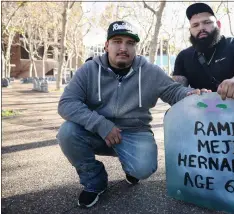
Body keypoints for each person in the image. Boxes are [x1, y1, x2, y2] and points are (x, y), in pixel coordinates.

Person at [56, 20, 207, 208]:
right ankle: (94, 181)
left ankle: (131, 165)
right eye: (117, 41)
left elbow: (174, 91)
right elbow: (66, 103)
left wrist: (191, 95)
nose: (123, 48)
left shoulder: (150, 70)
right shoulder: (89, 69)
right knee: (67, 132)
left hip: (135, 131)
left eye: (129, 43)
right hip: (97, 131)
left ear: (135, 47)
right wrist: (102, 125)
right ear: (106, 45)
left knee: (143, 169)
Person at [172, 3, 234, 100]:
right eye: (195, 25)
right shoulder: (183, 57)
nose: (201, 28)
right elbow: (175, 90)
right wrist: (188, 94)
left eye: (207, 22)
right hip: (203, 112)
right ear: (190, 30)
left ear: (218, 25)